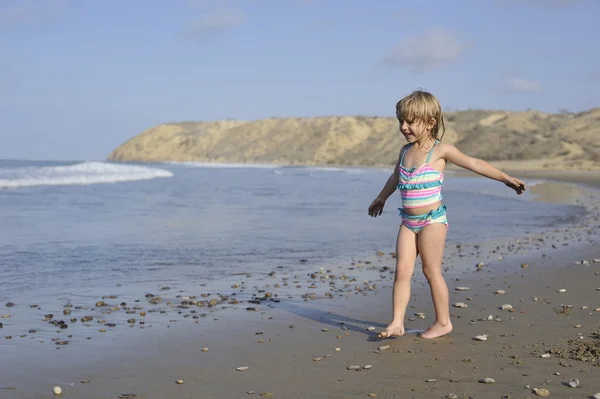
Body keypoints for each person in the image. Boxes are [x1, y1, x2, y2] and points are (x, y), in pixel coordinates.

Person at [368, 90, 526, 339]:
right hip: (408, 221)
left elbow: (475, 163)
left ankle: (443, 322)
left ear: (430, 122)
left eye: (411, 121)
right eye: (401, 121)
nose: (404, 126)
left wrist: (505, 178)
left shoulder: (441, 151)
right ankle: (397, 322)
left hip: (432, 220)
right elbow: (395, 177)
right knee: (402, 270)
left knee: (431, 270)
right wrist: (381, 197)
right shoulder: (404, 151)